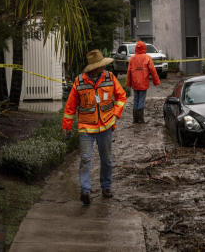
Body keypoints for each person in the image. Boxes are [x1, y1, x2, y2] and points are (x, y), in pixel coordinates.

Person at [62, 49, 126, 206]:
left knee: (107, 160)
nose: (102, 68)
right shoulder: (79, 82)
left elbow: (121, 96)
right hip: (86, 128)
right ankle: (85, 190)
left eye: (102, 65)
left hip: (106, 127)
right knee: (85, 159)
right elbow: (70, 107)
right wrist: (67, 127)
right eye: (99, 66)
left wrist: (115, 115)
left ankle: (106, 187)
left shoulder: (110, 78)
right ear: (92, 68)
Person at [125, 40, 160, 124]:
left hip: (135, 83)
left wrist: (128, 83)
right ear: (145, 48)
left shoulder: (132, 58)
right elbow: (153, 71)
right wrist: (156, 81)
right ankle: (140, 119)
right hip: (143, 82)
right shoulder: (147, 57)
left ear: (136, 48)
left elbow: (129, 72)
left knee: (136, 99)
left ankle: (135, 119)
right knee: (141, 100)